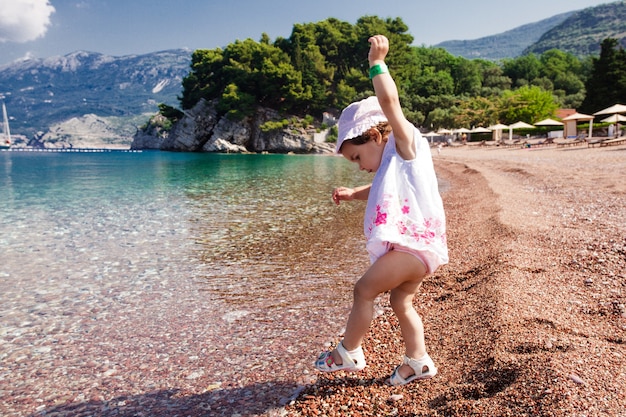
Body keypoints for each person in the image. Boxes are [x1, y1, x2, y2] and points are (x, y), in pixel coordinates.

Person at [314, 35, 449, 386]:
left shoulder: (404, 144)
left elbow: (390, 102)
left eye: (357, 157)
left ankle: (349, 352)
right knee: (401, 302)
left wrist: (377, 63)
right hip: (420, 249)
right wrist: (351, 194)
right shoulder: (393, 165)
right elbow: (377, 191)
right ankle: (417, 362)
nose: (359, 166)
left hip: (412, 247)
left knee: (364, 290)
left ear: (373, 134)